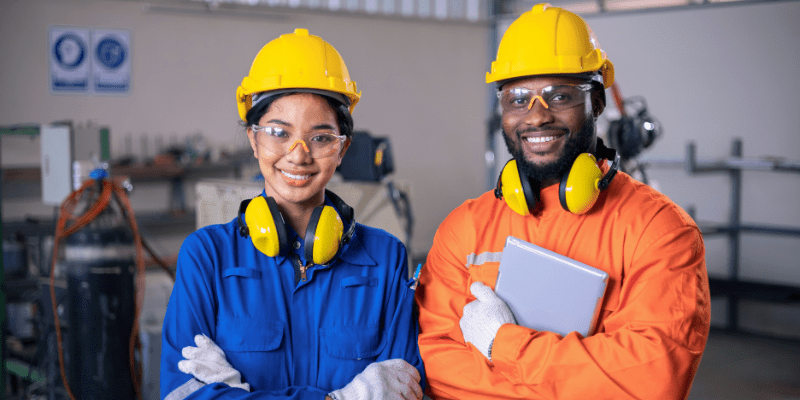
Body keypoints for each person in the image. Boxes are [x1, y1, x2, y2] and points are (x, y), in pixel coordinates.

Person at [415, 4, 710, 399]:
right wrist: (577, 380)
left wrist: (501, 344)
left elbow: (653, 379)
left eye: (560, 95)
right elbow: (433, 362)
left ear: (598, 103)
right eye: (517, 99)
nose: (536, 117)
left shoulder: (660, 230)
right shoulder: (464, 227)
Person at [161, 29, 425, 400]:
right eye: (278, 132)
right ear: (253, 140)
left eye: (320, 137)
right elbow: (181, 394)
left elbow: (404, 387)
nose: (298, 154)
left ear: (342, 149)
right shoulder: (207, 256)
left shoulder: (385, 259)